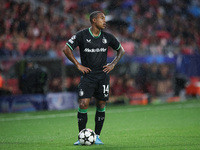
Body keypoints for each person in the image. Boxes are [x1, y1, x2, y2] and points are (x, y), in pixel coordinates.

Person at [62, 11, 125, 145]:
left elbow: (121, 50)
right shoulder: (82, 35)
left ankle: (97, 136)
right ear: (94, 21)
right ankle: (81, 137)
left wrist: (113, 64)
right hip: (88, 76)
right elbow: (66, 49)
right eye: (102, 18)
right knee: (83, 104)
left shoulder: (107, 37)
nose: (104, 21)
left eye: (105, 18)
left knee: (101, 104)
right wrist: (78, 64)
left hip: (103, 76)